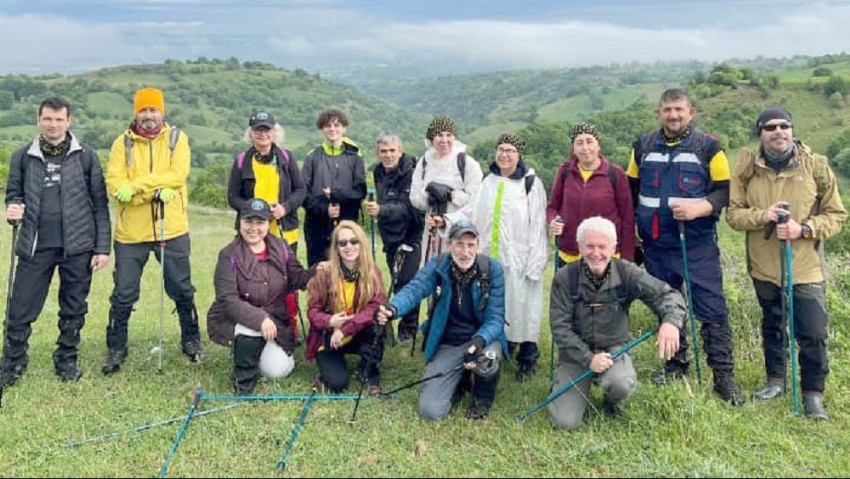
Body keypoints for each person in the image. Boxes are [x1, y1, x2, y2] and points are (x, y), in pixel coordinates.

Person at [626, 88, 745, 405]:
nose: (673, 115)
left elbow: (724, 191)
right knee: (666, 304)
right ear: (658, 113)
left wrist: (701, 207)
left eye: (679, 109)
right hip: (656, 244)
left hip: (696, 244)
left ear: (691, 112)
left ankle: (724, 378)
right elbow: (630, 190)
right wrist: (634, 232)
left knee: (712, 308)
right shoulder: (642, 147)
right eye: (667, 110)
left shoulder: (710, 148)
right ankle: (676, 365)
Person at [727, 107, 846, 420]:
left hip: (805, 265)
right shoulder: (746, 169)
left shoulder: (815, 166)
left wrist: (803, 229)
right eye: (770, 127)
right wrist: (762, 215)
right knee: (773, 326)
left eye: (784, 126)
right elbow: (733, 215)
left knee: (813, 333)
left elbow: (837, 216)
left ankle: (812, 394)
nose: (778, 132)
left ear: (792, 130)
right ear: (760, 134)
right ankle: (776, 381)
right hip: (764, 265)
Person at [0, 97, 111, 387]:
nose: (53, 125)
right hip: (35, 244)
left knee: (74, 305)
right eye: (48, 119)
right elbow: (14, 195)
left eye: (59, 119)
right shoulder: (22, 156)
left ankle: (66, 358)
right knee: (21, 305)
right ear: (39, 120)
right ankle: (13, 361)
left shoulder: (86, 155)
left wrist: (102, 247)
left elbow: (100, 205)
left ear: (69, 121)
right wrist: (12, 209)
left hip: (78, 245)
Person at [101, 86, 203, 374]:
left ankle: (191, 338)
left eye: (153, 109)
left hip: (171, 228)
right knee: (123, 293)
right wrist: (153, 192)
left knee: (181, 288)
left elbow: (177, 175)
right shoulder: (122, 143)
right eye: (143, 110)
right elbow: (114, 185)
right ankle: (116, 346)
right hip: (131, 233)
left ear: (162, 111)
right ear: (136, 112)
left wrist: (135, 187)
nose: (148, 115)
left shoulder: (176, 139)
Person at [547, 216, 684, 430]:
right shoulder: (565, 278)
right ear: (580, 247)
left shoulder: (627, 272)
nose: (596, 253)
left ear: (613, 248)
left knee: (620, 383)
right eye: (589, 246)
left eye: (602, 246)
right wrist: (589, 358)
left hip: (614, 350)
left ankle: (612, 401)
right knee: (565, 423)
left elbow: (667, 295)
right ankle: (566, 384)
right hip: (576, 354)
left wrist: (671, 323)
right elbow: (559, 328)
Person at [434, 133, 548, 382]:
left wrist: (536, 262)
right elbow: (471, 211)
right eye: (501, 149)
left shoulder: (530, 184)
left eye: (510, 150)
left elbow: (539, 224)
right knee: (495, 305)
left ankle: (527, 355)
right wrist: (447, 220)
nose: (504, 155)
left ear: (519, 155)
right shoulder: (489, 182)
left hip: (519, 258)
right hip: (490, 259)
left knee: (522, 306)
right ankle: (502, 345)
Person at [377, 220, 507, 420]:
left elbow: (496, 319)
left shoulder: (492, 270)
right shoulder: (438, 265)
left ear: (478, 246)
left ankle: (482, 399)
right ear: (449, 245)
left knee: (488, 361)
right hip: (449, 342)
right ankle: (460, 380)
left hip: (483, 340)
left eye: (471, 245)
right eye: (459, 244)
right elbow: (414, 289)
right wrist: (393, 309)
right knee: (430, 411)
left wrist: (478, 342)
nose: (465, 252)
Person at [207, 199, 319, 395]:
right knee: (250, 329)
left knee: (278, 370)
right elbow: (228, 299)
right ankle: (243, 379)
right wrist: (260, 319)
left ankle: (250, 350)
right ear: (239, 222)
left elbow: (297, 278)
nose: (254, 228)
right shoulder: (228, 255)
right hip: (236, 319)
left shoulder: (281, 246)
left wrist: (317, 272)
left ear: (269, 224)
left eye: (260, 222)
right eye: (248, 221)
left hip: (275, 320)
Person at [228, 111, 306, 341]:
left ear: (275, 132)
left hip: (284, 229)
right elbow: (233, 197)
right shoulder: (242, 161)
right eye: (258, 130)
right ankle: (255, 325)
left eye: (267, 129)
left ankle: (290, 327)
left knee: (287, 280)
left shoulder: (287, 158)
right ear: (251, 134)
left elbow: (300, 190)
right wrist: (254, 210)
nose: (263, 134)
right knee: (252, 279)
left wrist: (285, 207)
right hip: (252, 231)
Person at [305, 220, 386, 394]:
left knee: (378, 321)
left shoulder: (372, 272)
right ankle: (326, 371)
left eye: (354, 241)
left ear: (361, 243)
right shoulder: (324, 273)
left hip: (355, 331)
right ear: (336, 248)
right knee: (338, 384)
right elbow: (312, 312)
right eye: (342, 243)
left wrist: (345, 329)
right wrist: (329, 321)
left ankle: (368, 371)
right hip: (330, 337)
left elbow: (375, 306)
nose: (349, 246)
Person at [364, 133, 425, 342]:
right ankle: (402, 326)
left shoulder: (412, 172)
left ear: (401, 151)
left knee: (407, 283)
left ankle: (409, 329)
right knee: (397, 280)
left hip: (411, 235)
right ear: (378, 153)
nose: (388, 155)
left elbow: (410, 207)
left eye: (392, 150)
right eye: (383, 151)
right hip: (390, 238)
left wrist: (381, 210)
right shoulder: (379, 172)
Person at [547, 123, 634, 264]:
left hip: (604, 255)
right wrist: (554, 220)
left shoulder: (615, 174)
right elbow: (552, 207)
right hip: (570, 254)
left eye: (589, 141)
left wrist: (627, 261)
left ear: (598, 145)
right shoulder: (565, 172)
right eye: (579, 143)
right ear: (573, 149)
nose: (585, 148)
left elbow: (627, 219)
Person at [410, 115, 483, 267]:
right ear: (431, 139)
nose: (444, 140)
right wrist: (428, 195)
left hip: (461, 230)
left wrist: (451, 195)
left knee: (457, 269)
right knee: (433, 269)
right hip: (432, 228)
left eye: (448, 135)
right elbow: (415, 198)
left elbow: (477, 200)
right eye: (439, 135)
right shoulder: (424, 163)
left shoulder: (466, 164)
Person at [300, 108, 367, 266]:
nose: (332, 129)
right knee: (318, 274)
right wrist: (324, 209)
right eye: (328, 125)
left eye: (337, 125)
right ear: (321, 128)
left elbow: (360, 191)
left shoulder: (355, 156)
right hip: (317, 226)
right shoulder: (312, 156)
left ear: (344, 128)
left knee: (348, 273)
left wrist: (336, 195)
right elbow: (303, 194)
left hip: (347, 224)